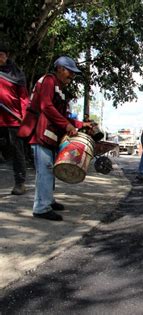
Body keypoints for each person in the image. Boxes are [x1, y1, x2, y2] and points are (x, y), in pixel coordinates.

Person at [19, 56, 91, 221]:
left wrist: (81, 124)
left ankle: (48, 200)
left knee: (49, 169)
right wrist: (67, 126)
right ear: (60, 68)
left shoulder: (58, 86)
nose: (72, 76)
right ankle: (41, 208)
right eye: (70, 72)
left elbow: (62, 115)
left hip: (50, 136)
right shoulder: (49, 81)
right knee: (45, 170)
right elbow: (46, 106)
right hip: (40, 133)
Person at [0, 42, 29, 195]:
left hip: (13, 120)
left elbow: (24, 98)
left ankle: (20, 183)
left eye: (1, 55)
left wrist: (25, 118)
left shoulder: (16, 73)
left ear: (6, 56)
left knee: (17, 152)